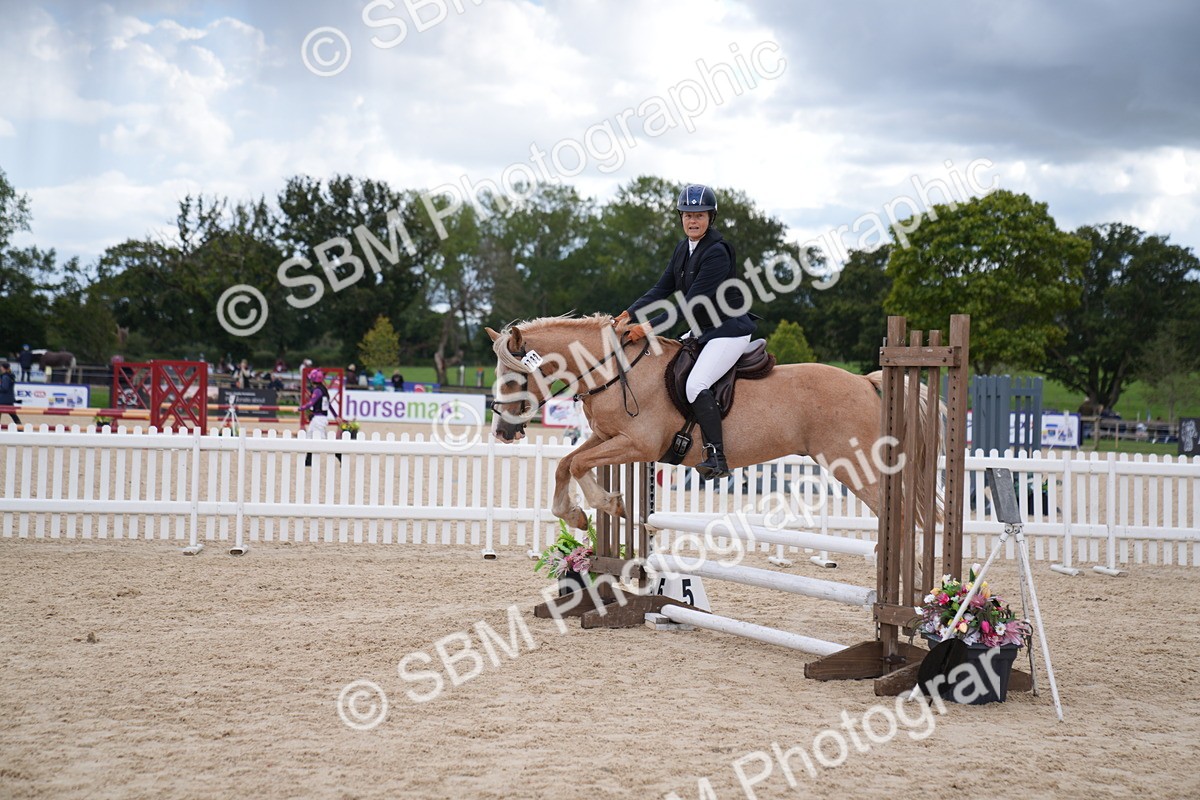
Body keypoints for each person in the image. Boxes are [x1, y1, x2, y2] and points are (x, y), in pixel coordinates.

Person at [616, 184, 755, 481]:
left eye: (700, 215)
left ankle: (717, 456)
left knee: (695, 384)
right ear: (681, 217)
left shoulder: (717, 252)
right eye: (688, 215)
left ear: (710, 218)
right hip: (702, 330)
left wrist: (648, 327)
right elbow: (662, 288)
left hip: (727, 330)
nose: (693, 220)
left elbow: (691, 303)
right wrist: (630, 313)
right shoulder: (683, 249)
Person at [299, 369, 341, 467]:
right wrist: (335, 416)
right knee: (310, 437)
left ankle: (340, 456)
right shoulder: (323, 389)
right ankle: (308, 461)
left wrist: (299, 409)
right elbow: (328, 405)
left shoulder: (317, 391)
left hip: (319, 419)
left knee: (323, 441)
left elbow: (311, 403)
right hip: (317, 418)